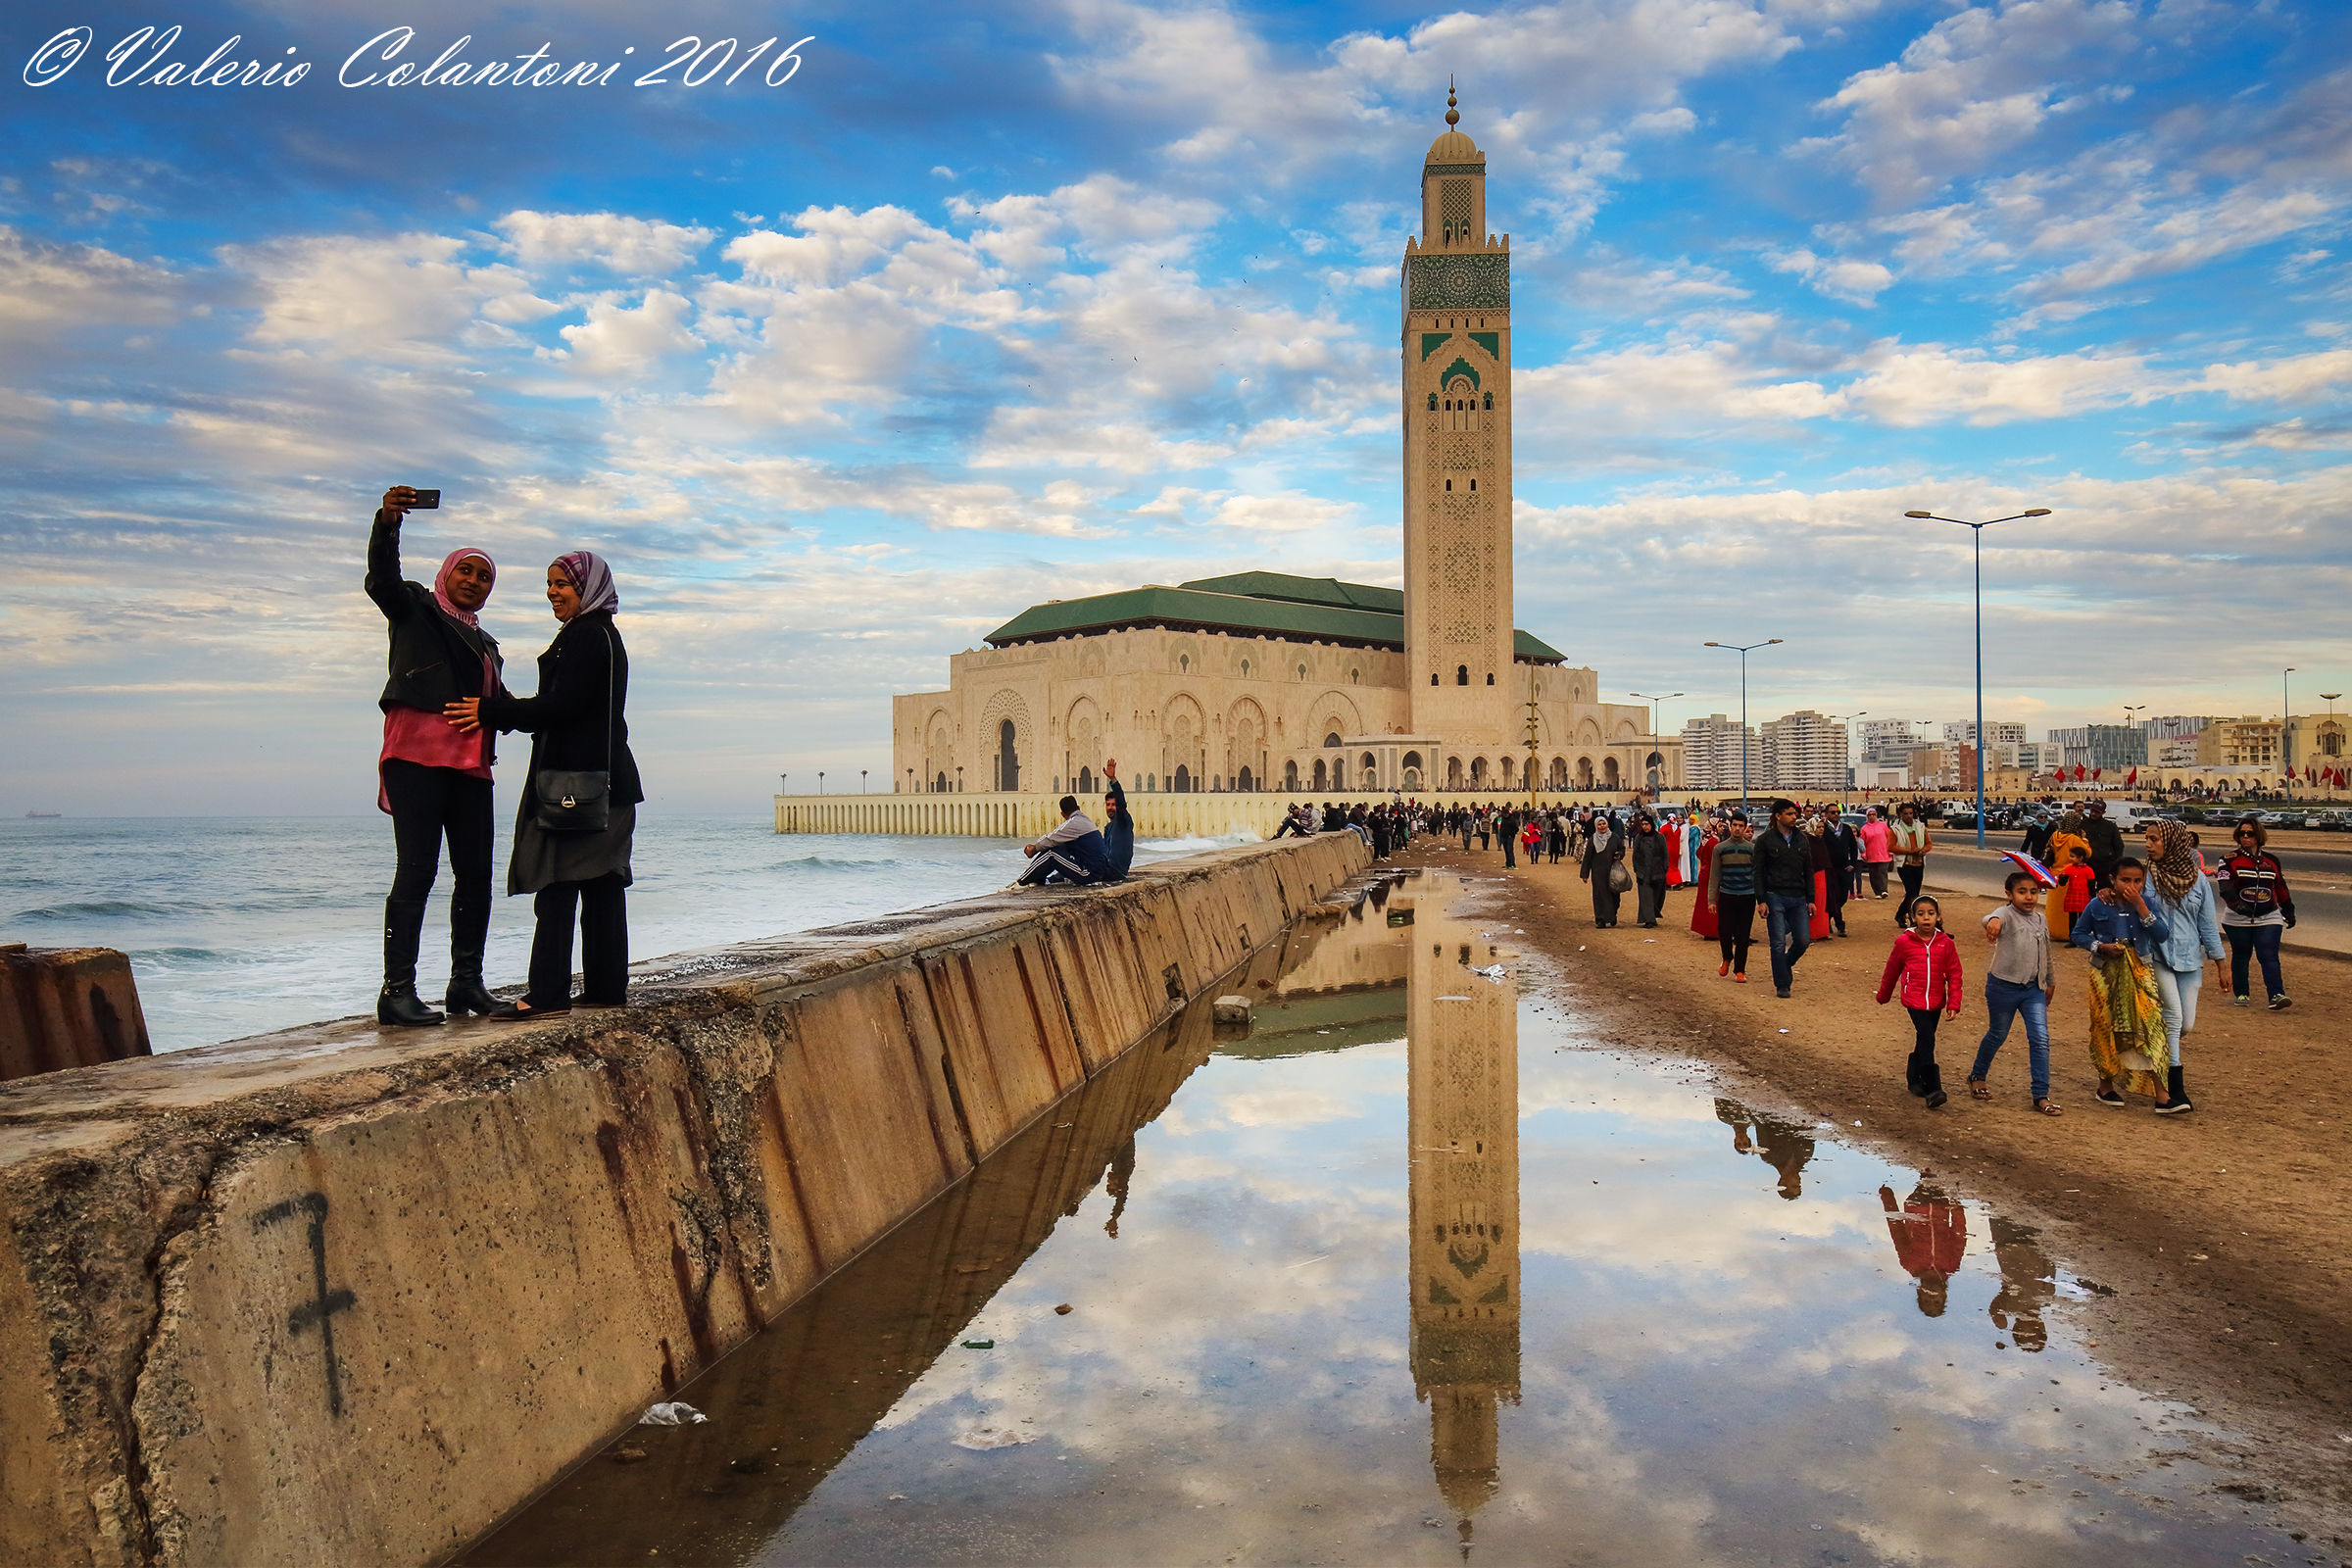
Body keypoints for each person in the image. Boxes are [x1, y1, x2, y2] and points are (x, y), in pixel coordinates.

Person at [450, 550, 641, 1017]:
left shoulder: (585, 635)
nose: (553, 592)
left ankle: (548, 994)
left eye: (563, 584)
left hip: (578, 784)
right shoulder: (604, 636)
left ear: (588, 588)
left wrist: (493, 710)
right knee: (601, 885)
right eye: (550, 584)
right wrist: (513, 708)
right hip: (610, 782)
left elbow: (564, 705)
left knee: (557, 881)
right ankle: (605, 988)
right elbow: (571, 704)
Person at [367, 485, 508, 1027]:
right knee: (418, 872)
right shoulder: (415, 608)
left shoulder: (486, 642)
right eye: (465, 572)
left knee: (476, 876)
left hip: (470, 766)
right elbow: (380, 579)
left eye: (484, 577)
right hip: (417, 759)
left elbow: (501, 707)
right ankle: (396, 991)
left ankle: (466, 984)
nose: (473, 581)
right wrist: (388, 522)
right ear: (446, 574)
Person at [2137, 819, 2226, 1115]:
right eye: (2147, 839)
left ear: (2173, 842)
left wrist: (2220, 961)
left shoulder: (2198, 880)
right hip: (2156, 957)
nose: (2148, 844)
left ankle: (2156, 1056)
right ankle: (2173, 1091)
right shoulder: (2145, 876)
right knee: (2173, 1017)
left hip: (2190, 959)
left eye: (2155, 839)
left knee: (2185, 1024)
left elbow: (2206, 923)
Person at [2072, 858, 2173, 1109]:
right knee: (2106, 1026)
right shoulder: (2098, 903)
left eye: (2137, 880)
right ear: (2112, 880)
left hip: (2140, 971)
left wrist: (2140, 906)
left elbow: (2162, 934)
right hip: (2105, 973)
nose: (2132, 885)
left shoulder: (2147, 902)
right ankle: (2105, 1085)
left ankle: (2162, 1094)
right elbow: (2078, 934)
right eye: (2125, 880)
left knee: (2150, 1028)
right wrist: (2099, 946)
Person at [1967, 871, 2060, 1114]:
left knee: (2040, 1040)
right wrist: (1993, 924)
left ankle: (2041, 1095)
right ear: (2009, 894)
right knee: (1997, 1034)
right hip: (2002, 987)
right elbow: (1990, 918)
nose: (2029, 897)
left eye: (2034, 891)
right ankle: (1977, 1075)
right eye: (2022, 892)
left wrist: (2050, 981)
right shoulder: (2005, 914)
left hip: (2033, 989)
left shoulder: (2041, 919)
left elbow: (2046, 953)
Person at [1875, 895, 1962, 1109]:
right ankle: (1933, 1089)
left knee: (1924, 1039)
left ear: (1938, 916)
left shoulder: (1946, 943)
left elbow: (1955, 974)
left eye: (1930, 914)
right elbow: (1892, 969)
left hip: (1936, 1001)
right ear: (1913, 917)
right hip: (1914, 999)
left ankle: (1913, 1077)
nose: (1926, 918)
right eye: (1921, 914)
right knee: (1927, 1038)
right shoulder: (1904, 942)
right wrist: (1883, 995)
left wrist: (1953, 1003)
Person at [2217, 816, 2294, 1009]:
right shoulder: (2228, 860)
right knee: (2242, 955)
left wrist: (2288, 910)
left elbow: (2280, 886)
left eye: (2249, 833)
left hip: (2269, 916)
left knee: (2268, 954)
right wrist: (2240, 907)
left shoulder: (2272, 861)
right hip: (2237, 919)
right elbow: (2225, 889)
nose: (2245, 837)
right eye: (2241, 833)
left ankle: (2276, 994)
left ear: (2258, 835)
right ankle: (2242, 994)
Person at [1753, 799, 1814, 998]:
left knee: (1803, 940)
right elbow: (1758, 873)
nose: (1794, 817)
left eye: (1795, 814)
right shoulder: (1765, 841)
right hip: (1774, 896)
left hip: (1798, 896)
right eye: (1789, 814)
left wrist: (1811, 898)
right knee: (1778, 942)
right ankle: (1782, 984)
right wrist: (1761, 900)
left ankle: (1785, 964)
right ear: (1778, 816)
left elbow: (1808, 870)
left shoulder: (1802, 839)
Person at [1880, 1181, 1967, 1317]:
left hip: (1916, 1205)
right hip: (1941, 1206)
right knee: (1936, 1177)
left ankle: (1927, 1174)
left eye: (1926, 1300)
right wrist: (1957, 1210)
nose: (1931, 1298)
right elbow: (1959, 1236)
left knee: (1929, 1176)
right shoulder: (1951, 1266)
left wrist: (1887, 1197)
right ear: (1944, 1296)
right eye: (1937, 1302)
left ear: (1919, 1292)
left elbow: (1897, 1231)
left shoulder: (1910, 1264)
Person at [1016, 796, 1116, 885]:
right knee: (1058, 846)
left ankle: (1021, 881)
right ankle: (1037, 880)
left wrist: (1034, 849)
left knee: (1052, 854)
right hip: (1098, 872)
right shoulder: (1085, 820)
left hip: (1089, 873)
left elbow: (1051, 837)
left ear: (1062, 814)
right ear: (1078, 808)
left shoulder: (1074, 822)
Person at [1703, 811, 1756, 980]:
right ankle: (1727, 957)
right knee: (1724, 932)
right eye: (1735, 825)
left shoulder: (1752, 849)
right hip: (1727, 895)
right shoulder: (1720, 848)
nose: (1738, 829)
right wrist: (1711, 899)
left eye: (1741, 826)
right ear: (1730, 826)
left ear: (1745, 827)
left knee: (1743, 935)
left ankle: (1740, 970)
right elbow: (1715, 875)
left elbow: (1757, 874)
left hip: (1747, 896)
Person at [1580, 812, 1627, 928]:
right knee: (1599, 896)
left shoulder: (1614, 837)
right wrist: (1584, 874)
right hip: (1598, 872)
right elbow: (1587, 857)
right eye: (1599, 824)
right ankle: (1600, 919)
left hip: (1613, 871)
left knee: (1614, 895)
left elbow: (1622, 849)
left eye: (1603, 824)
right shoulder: (1593, 840)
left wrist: (1619, 855)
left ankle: (1612, 915)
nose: (1602, 826)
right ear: (1596, 826)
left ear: (1607, 824)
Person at [1888, 802, 1933, 925]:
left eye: (1911, 813)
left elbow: (1928, 843)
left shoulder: (1921, 827)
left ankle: (1900, 915)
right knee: (1912, 892)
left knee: (1914, 893)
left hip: (1919, 864)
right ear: (1900, 814)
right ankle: (1913, 919)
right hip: (1905, 864)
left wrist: (1923, 850)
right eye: (1905, 814)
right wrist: (1909, 851)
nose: (1908, 816)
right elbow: (1891, 847)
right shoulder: (1895, 830)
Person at [1630, 814, 1670, 927]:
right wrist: (1637, 870)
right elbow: (1635, 855)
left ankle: (1652, 916)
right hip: (1643, 872)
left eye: (1646, 824)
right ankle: (1649, 920)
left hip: (1657, 872)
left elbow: (1665, 854)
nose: (1644, 827)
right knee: (1645, 897)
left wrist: (1664, 868)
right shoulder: (1639, 838)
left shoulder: (1660, 837)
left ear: (1651, 824)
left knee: (1656, 897)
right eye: (1642, 824)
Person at [2050, 844, 2094, 944]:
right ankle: (2072, 939)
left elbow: (2091, 886)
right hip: (2073, 896)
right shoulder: (2069, 869)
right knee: (2072, 920)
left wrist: (2092, 898)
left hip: (2083, 896)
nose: (2070, 858)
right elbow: (2062, 883)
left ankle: (2082, 939)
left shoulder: (2088, 870)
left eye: (2073, 856)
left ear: (2081, 858)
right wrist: (2062, 877)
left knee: (2083, 920)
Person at [1101, 760, 1135, 880]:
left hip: (1115, 872)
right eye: (1108, 804)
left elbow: (1121, 803)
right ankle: (1054, 879)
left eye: (1113, 805)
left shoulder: (1123, 820)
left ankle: (1050, 880)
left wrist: (1113, 780)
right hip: (1107, 869)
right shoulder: (1109, 828)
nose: (1110, 808)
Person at [2082, 800, 2126, 888]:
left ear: (2103, 812)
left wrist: (2115, 864)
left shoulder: (2110, 826)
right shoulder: (2082, 825)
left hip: (2105, 866)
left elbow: (2119, 846)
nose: (2093, 814)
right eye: (2092, 811)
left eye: (2097, 812)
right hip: (2087, 865)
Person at [1859, 805, 1893, 900]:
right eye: (1869, 815)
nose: (1872, 816)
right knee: (1873, 874)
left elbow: (1889, 838)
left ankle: (1884, 890)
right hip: (1871, 855)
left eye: (1873, 814)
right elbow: (1861, 843)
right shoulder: (1864, 829)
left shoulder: (1883, 826)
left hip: (1883, 854)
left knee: (1882, 872)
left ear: (1876, 815)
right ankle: (1877, 892)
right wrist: (1863, 853)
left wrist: (1891, 850)